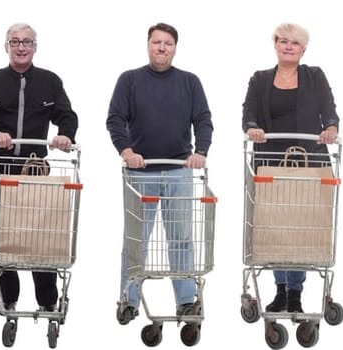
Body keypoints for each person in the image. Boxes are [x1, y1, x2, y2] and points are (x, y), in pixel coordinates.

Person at [0, 22, 79, 313]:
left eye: (26, 42)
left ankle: (47, 300)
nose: (20, 47)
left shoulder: (50, 81)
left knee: (40, 231)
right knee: (1, 231)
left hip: (34, 168)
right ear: (6, 47)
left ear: (34, 47)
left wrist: (66, 134)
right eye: (15, 42)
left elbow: (67, 115)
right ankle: (8, 297)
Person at [107, 22, 213, 321]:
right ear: (148, 45)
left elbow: (203, 119)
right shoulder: (129, 80)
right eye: (156, 42)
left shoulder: (189, 82)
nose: (162, 48)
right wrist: (126, 152)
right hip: (141, 173)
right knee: (136, 239)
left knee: (180, 238)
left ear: (175, 48)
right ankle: (128, 299)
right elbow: (115, 119)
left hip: (179, 171)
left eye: (167, 43)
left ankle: (186, 301)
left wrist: (200, 152)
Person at [241, 23, 340, 314]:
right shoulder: (260, 79)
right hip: (271, 160)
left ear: (303, 49)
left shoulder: (314, 76)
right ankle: (281, 291)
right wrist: (252, 128)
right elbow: (249, 112)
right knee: (275, 225)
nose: (288, 46)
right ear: (275, 44)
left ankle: (295, 294)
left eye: (294, 43)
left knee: (301, 227)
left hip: (308, 159)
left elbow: (329, 108)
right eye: (283, 41)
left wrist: (331, 127)